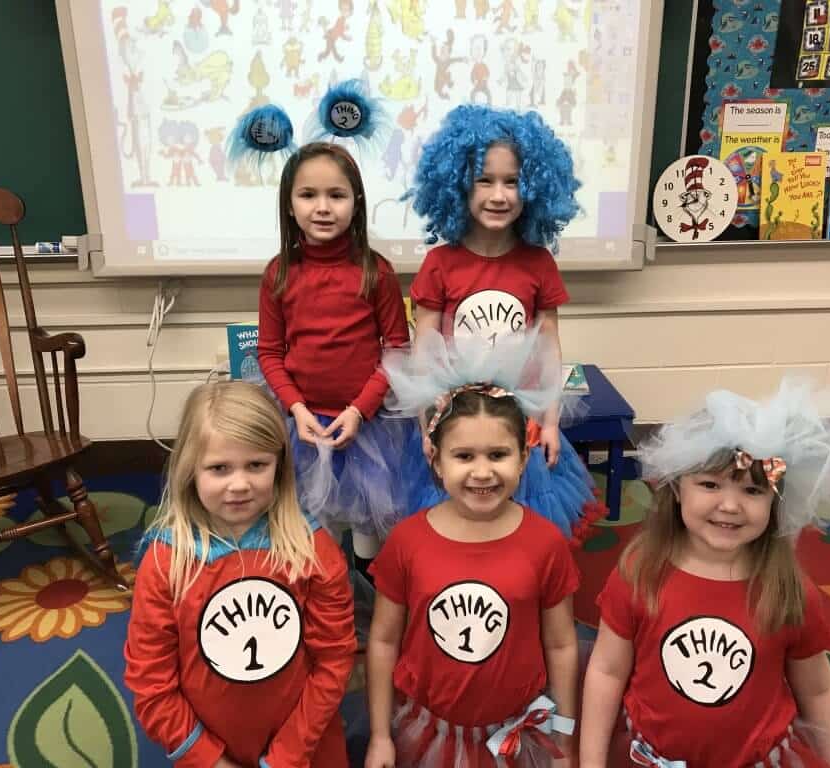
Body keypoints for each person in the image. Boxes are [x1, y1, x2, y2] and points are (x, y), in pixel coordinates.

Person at [580, 380, 830, 768]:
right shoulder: (640, 573)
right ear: (677, 488)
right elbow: (607, 671)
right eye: (710, 484)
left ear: (775, 501)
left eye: (752, 491)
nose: (729, 505)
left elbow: (818, 690)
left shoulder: (787, 589)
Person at [366, 330, 580, 767]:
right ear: (436, 459)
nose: (482, 472)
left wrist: (565, 737)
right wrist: (379, 735)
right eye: (464, 456)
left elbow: (561, 645)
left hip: (516, 734)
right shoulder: (407, 542)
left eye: (498, 455)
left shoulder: (546, 543)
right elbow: (384, 641)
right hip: (429, 732)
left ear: (524, 458)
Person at [124, 381, 357, 768]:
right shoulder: (166, 562)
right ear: (189, 470)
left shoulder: (313, 552)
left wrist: (285, 758)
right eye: (219, 468)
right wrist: (208, 759)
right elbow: (151, 682)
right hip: (208, 751)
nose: (239, 485)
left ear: (278, 466)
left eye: (256, 465)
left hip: (304, 746)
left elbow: (333, 661)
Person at [404, 103, 604, 542]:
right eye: (485, 180)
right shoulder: (440, 264)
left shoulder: (538, 263)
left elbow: (549, 348)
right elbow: (423, 355)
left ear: (533, 186)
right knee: (458, 523)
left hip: (519, 422)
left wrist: (550, 422)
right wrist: (425, 427)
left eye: (511, 181)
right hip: (455, 423)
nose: (499, 195)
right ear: (458, 184)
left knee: (523, 527)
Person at [256, 140, 411, 571]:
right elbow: (269, 352)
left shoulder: (375, 271)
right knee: (317, 524)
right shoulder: (279, 273)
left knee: (368, 524)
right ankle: (329, 590)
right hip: (304, 424)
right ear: (289, 205)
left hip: (368, 424)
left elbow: (397, 349)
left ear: (355, 202)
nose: (323, 208)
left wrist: (360, 409)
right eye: (308, 195)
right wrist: (297, 408)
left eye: (336, 195)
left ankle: (366, 589)